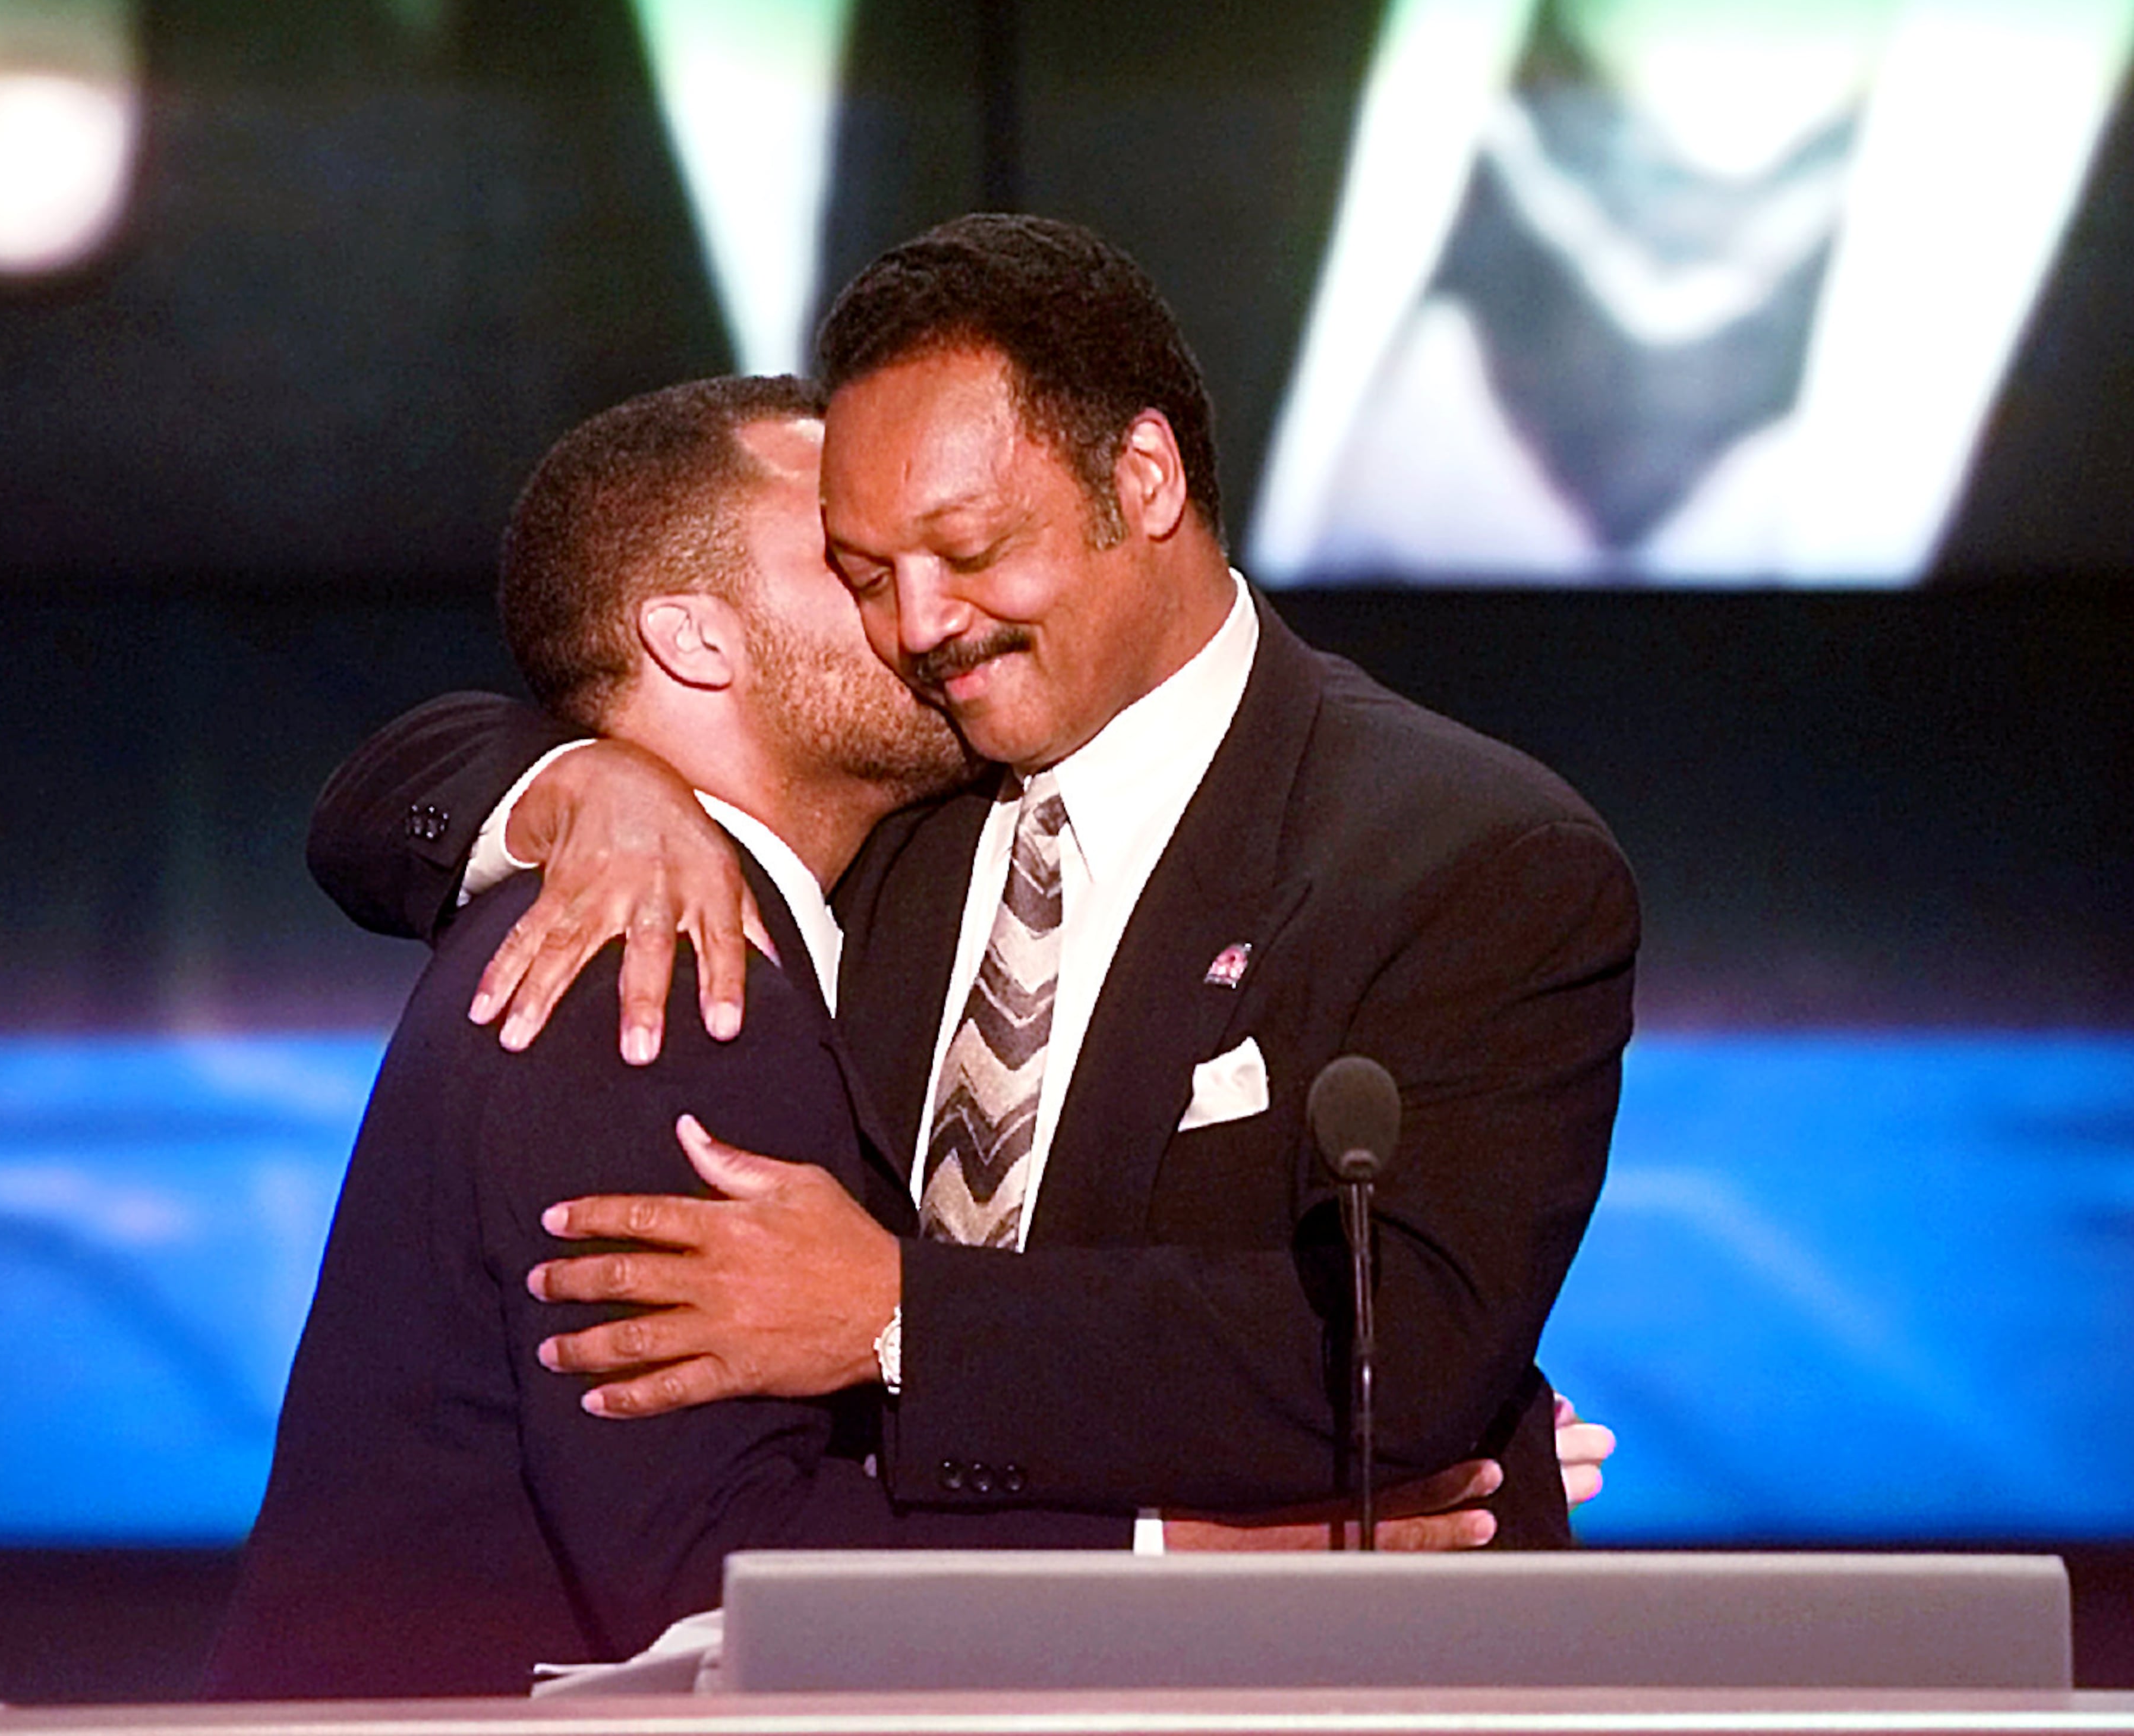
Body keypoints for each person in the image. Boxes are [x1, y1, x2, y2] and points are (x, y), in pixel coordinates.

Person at [310, 215, 1638, 1548]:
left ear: (1145, 478)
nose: (921, 624)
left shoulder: (1473, 860)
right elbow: (377, 804)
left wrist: (897, 1312)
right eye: (867, 574)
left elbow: (1391, 1359)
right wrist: (592, 783)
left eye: (969, 546)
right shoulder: (893, 785)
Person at [215, 373, 1540, 1700]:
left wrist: (1415, 1414)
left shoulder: (826, 912)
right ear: (694, 639)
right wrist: (1182, 1556)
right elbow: (704, 1573)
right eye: (854, 564)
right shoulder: (662, 969)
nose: (925, 614)